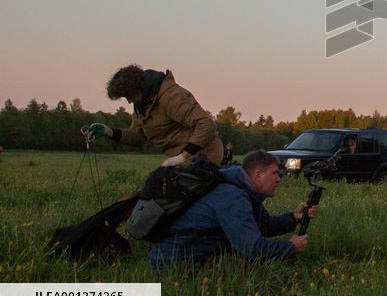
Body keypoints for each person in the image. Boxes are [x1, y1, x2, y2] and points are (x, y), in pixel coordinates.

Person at [148, 150, 318, 269]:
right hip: (174, 262)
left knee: (264, 261)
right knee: (258, 269)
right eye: (274, 173)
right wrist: (290, 247)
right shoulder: (232, 196)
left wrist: (293, 217)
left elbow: (263, 226)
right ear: (258, 175)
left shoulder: (241, 189)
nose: (278, 179)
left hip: (179, 254)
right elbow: (252, 248)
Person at [85, 65, 223, 166]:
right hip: (179, 159)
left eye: (129, 96)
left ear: (140, 88)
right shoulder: (141, 103)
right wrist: (108, 131)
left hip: (204, 157)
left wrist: (183, 157)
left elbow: (206, 124)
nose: (129, 101)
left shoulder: (171, 96)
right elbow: (138, 136)